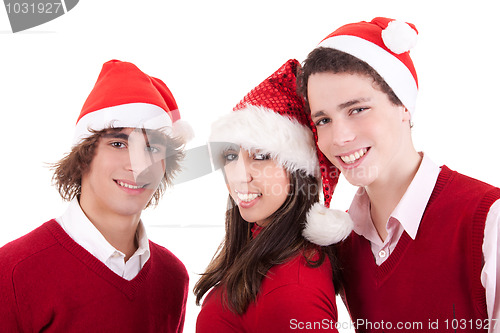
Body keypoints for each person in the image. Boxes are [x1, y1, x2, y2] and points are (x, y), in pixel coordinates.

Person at [298, 17, 500, 332]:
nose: (339, 138)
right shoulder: (345, 243)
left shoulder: (489, 219)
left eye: (357, 109)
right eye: (323, 120)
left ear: (403, 106)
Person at [0, 60, 192, 332]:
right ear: (84, 157)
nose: (137, 165)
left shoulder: (172, 277)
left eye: (152, 148)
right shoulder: (13, 271)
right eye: (118, 143)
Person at [194, 59, 353, 332]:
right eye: (231, 156)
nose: (239, 175)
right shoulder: (262, 248)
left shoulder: (295, 285)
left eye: (261, 156)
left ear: (299, 171)